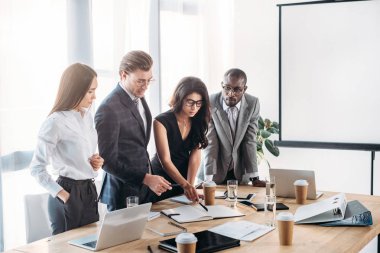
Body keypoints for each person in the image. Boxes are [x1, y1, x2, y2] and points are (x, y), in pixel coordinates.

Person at [30, 63, 104, 235]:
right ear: (75, 90)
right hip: (68, 192)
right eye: (90, 91)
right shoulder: (54, 122)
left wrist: (94, 161)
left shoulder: (86, 116)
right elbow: (36, 168)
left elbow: (81, 153)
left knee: (91, 244)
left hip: (88, 190)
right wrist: (64, 196)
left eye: (95, 90)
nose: (94, 97)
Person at [95, 50, 172, 211]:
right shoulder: (108, 109)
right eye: (140, 81)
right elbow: (107, 161)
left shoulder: (138, 97)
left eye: (149, 81)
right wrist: (146, 178)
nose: (145, 86)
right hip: (121, 193)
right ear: (123, 75)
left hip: (143, 190)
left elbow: (138, 145)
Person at [150, 77, 210, 202]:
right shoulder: (160, 121)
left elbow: (195, 158)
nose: (194, 107)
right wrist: (185, 185)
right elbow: (165, 161)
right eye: (190, 102)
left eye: (199, 103)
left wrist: (190, 186)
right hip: (160, 180)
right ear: (180, 98)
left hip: (183, 180)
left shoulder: (198, 120)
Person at [202, 68, 266, 186]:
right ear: (222, 85)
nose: (231, 93)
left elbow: (250, 140)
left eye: (237, 89)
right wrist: (208, 180)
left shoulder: (253, 103)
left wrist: (254, 178)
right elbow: (211, 142)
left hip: (239, 173)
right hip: (215, 172)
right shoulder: (210, 102)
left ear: (244, 89)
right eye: (227, 88)